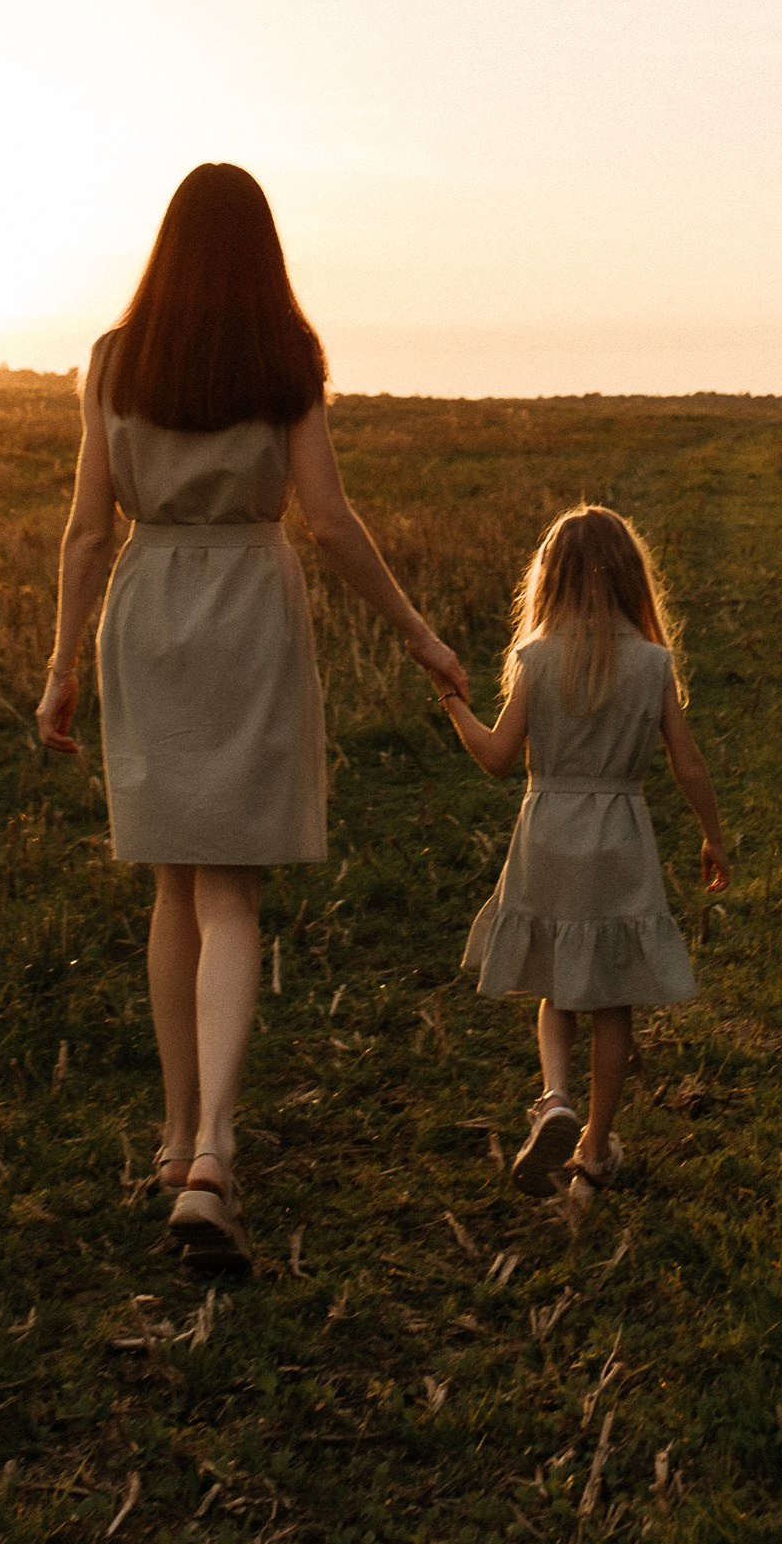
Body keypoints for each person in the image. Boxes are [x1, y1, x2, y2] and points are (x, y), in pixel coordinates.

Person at [36, 162, 467, 1270]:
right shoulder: (287, 356)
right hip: (245, 606)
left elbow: (88, 530)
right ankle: (217, 1151)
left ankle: (178, 1141)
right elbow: (325, 520)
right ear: (262, 251)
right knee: (229, 891)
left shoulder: (111, 360)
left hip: (144, 611)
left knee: (173, 877)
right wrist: (417, 632)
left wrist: (58, 667)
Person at [439, 505, 729, 1203]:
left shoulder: (535, 658)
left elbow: (499, 759)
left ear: (551, 581)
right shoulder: (653, 663)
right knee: (612, 999)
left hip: (548, 831)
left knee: (556, 984)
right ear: (631, 579)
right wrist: (713, 834)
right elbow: (686, 762)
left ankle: (556, 1098)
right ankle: (595, 1151)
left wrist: (453, 703)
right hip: (620, 833)